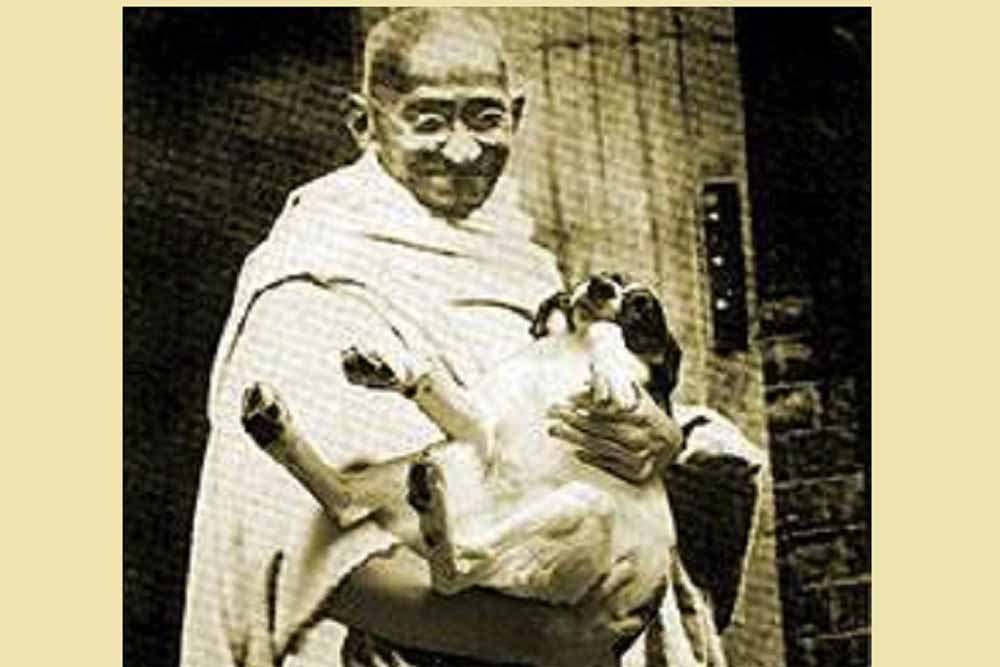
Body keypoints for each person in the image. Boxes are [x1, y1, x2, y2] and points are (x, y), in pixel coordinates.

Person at [180, 9, 761, 667]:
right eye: (428, 121)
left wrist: (656, 438)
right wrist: (548, 639)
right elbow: (295, 541)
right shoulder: (313, 277)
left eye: (485, 118)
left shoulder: (516, 256)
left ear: (517, 112)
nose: (462, 150)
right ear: (363, 122)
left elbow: (539, 431)